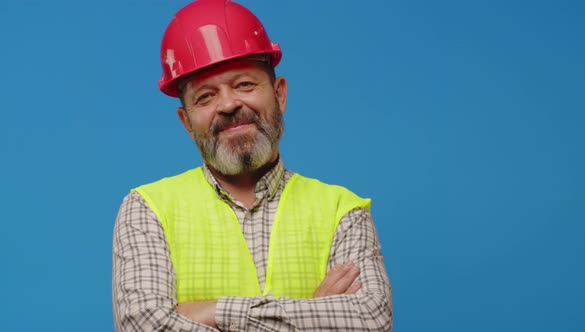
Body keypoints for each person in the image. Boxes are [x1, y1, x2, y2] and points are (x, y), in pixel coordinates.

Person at [112, 0, 393, 331]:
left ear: (280, 94)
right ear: (187, 123)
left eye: (244, 84)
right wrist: (312, 311)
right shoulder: (147, 210)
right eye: (205, 96)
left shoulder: (342, 212)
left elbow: (371, 320)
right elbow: (141, 326)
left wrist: (214, 311)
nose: (229, 104)